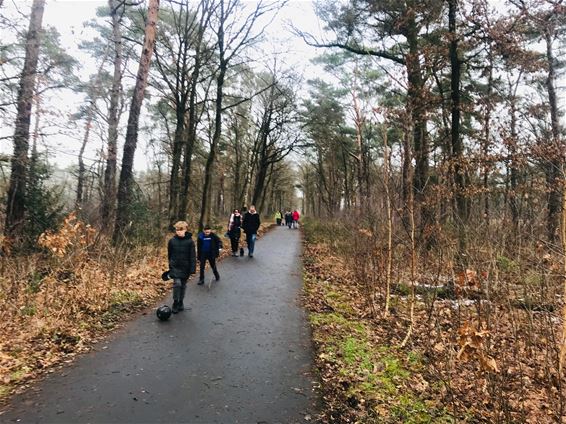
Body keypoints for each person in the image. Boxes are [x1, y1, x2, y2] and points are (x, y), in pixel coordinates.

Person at [167, 221, 196, 313]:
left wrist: (192, 269)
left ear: (185, 230)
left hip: (185, 267)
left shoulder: (190, 242)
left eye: (181, 230)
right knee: (177, 284)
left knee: (183, 285)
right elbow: (169, 254)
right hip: (175, 267)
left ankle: (181, 302)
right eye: (177, 230)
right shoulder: (172, 241)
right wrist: (170, 265)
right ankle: (175, 302)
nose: (179, 232)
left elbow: (192, 256)